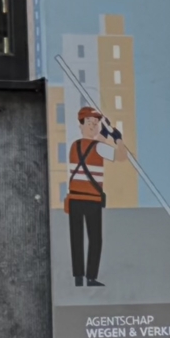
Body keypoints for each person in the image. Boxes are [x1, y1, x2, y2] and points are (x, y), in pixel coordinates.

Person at [64, 105, 120, 287]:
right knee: (95, 239)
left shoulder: (74, 146)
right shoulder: (100, 147)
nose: (93, 125)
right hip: (92, 199)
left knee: (77, 238)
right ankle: (90, 277)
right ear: (81, 125)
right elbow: (121, 156)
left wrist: (104, 135)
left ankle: (78, 278)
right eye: (89, 122)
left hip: (74, 198)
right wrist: (117, 139)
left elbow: (93, 147)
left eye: (96, 123)